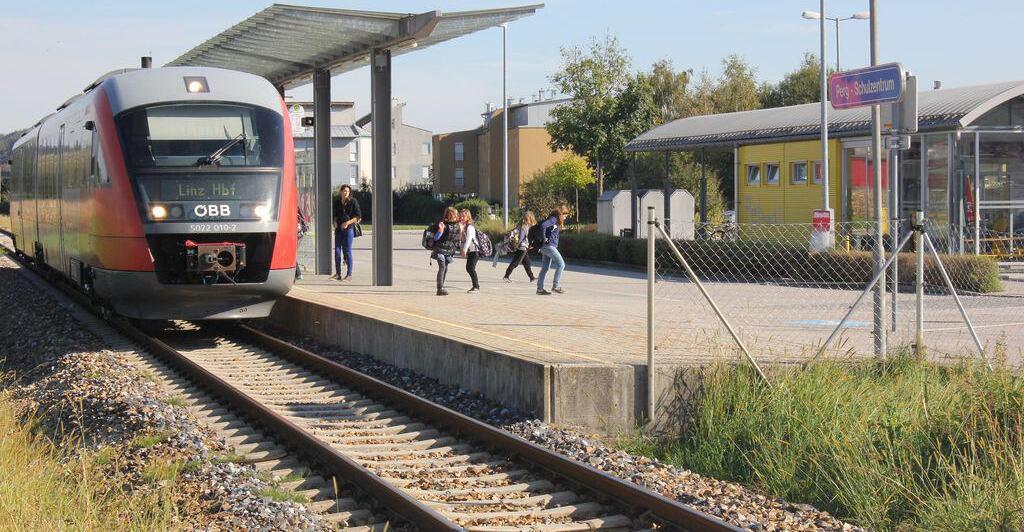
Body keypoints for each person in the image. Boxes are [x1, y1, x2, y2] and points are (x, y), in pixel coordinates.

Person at [536, 205, 570, 295]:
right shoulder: (553, 219)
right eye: (565, 215)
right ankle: (555, 286)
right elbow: (543, 225)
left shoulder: (555, 220)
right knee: (561, 264)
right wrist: (544, 238)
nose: (566, 217)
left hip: (545, 247)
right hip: (549, 246)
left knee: (545, 268)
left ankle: (540, 289)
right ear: (561, 214)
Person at [332, 184, 361, 281]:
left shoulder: (353, 202)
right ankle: (338, 273)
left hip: (349, 229)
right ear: (340, 192)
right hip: (338, 229)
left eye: (347, 191)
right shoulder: (337, 202)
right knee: (337, 250)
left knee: (347, 250)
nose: (346, 193)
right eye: (344, 191)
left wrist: (347, 223)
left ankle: (349, 274)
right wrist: (335, 222)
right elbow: (335, 215)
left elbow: (358, 217)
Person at [432, 207, 460, 296]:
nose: (456, 216)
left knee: (445, 268)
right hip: (440, 249)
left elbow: (457, 239)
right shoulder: (442, 224)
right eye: (455, 214)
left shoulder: (457, 225)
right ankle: (440, 288)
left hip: (449, 250)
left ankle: (442, 286)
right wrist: (440, 231)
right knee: (442, 267)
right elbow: (436, 238)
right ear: (450, 215)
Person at [502, 211, 536, 283]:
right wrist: (519, 245)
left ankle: (532, 277)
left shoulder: (520, 225)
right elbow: (522, 238)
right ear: (530, 218)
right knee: (515, 262)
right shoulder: (525, 226)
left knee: (527, 263)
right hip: (522, 248)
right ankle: (506, 276)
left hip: (523, 247)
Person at [458, 208, 481, 293]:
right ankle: (475, 286)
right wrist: (460, 230)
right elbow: (460, 239)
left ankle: (476, 287)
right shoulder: (464, 227)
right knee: (469, 268)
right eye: (461, 216)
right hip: (470, 251)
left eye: (464, 216)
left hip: (475, 250)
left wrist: (464, 249)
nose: (462, 218)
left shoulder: (470, 227)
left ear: (468, 217)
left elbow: (469, 239)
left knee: (470, 268)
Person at [294, 205, 310, 281]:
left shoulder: (296, 207)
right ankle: (297, 274)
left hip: (297, 233)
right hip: (295, 233)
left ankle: (298, 273)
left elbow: (302, 219)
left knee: (291, 254)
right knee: (291, 253)